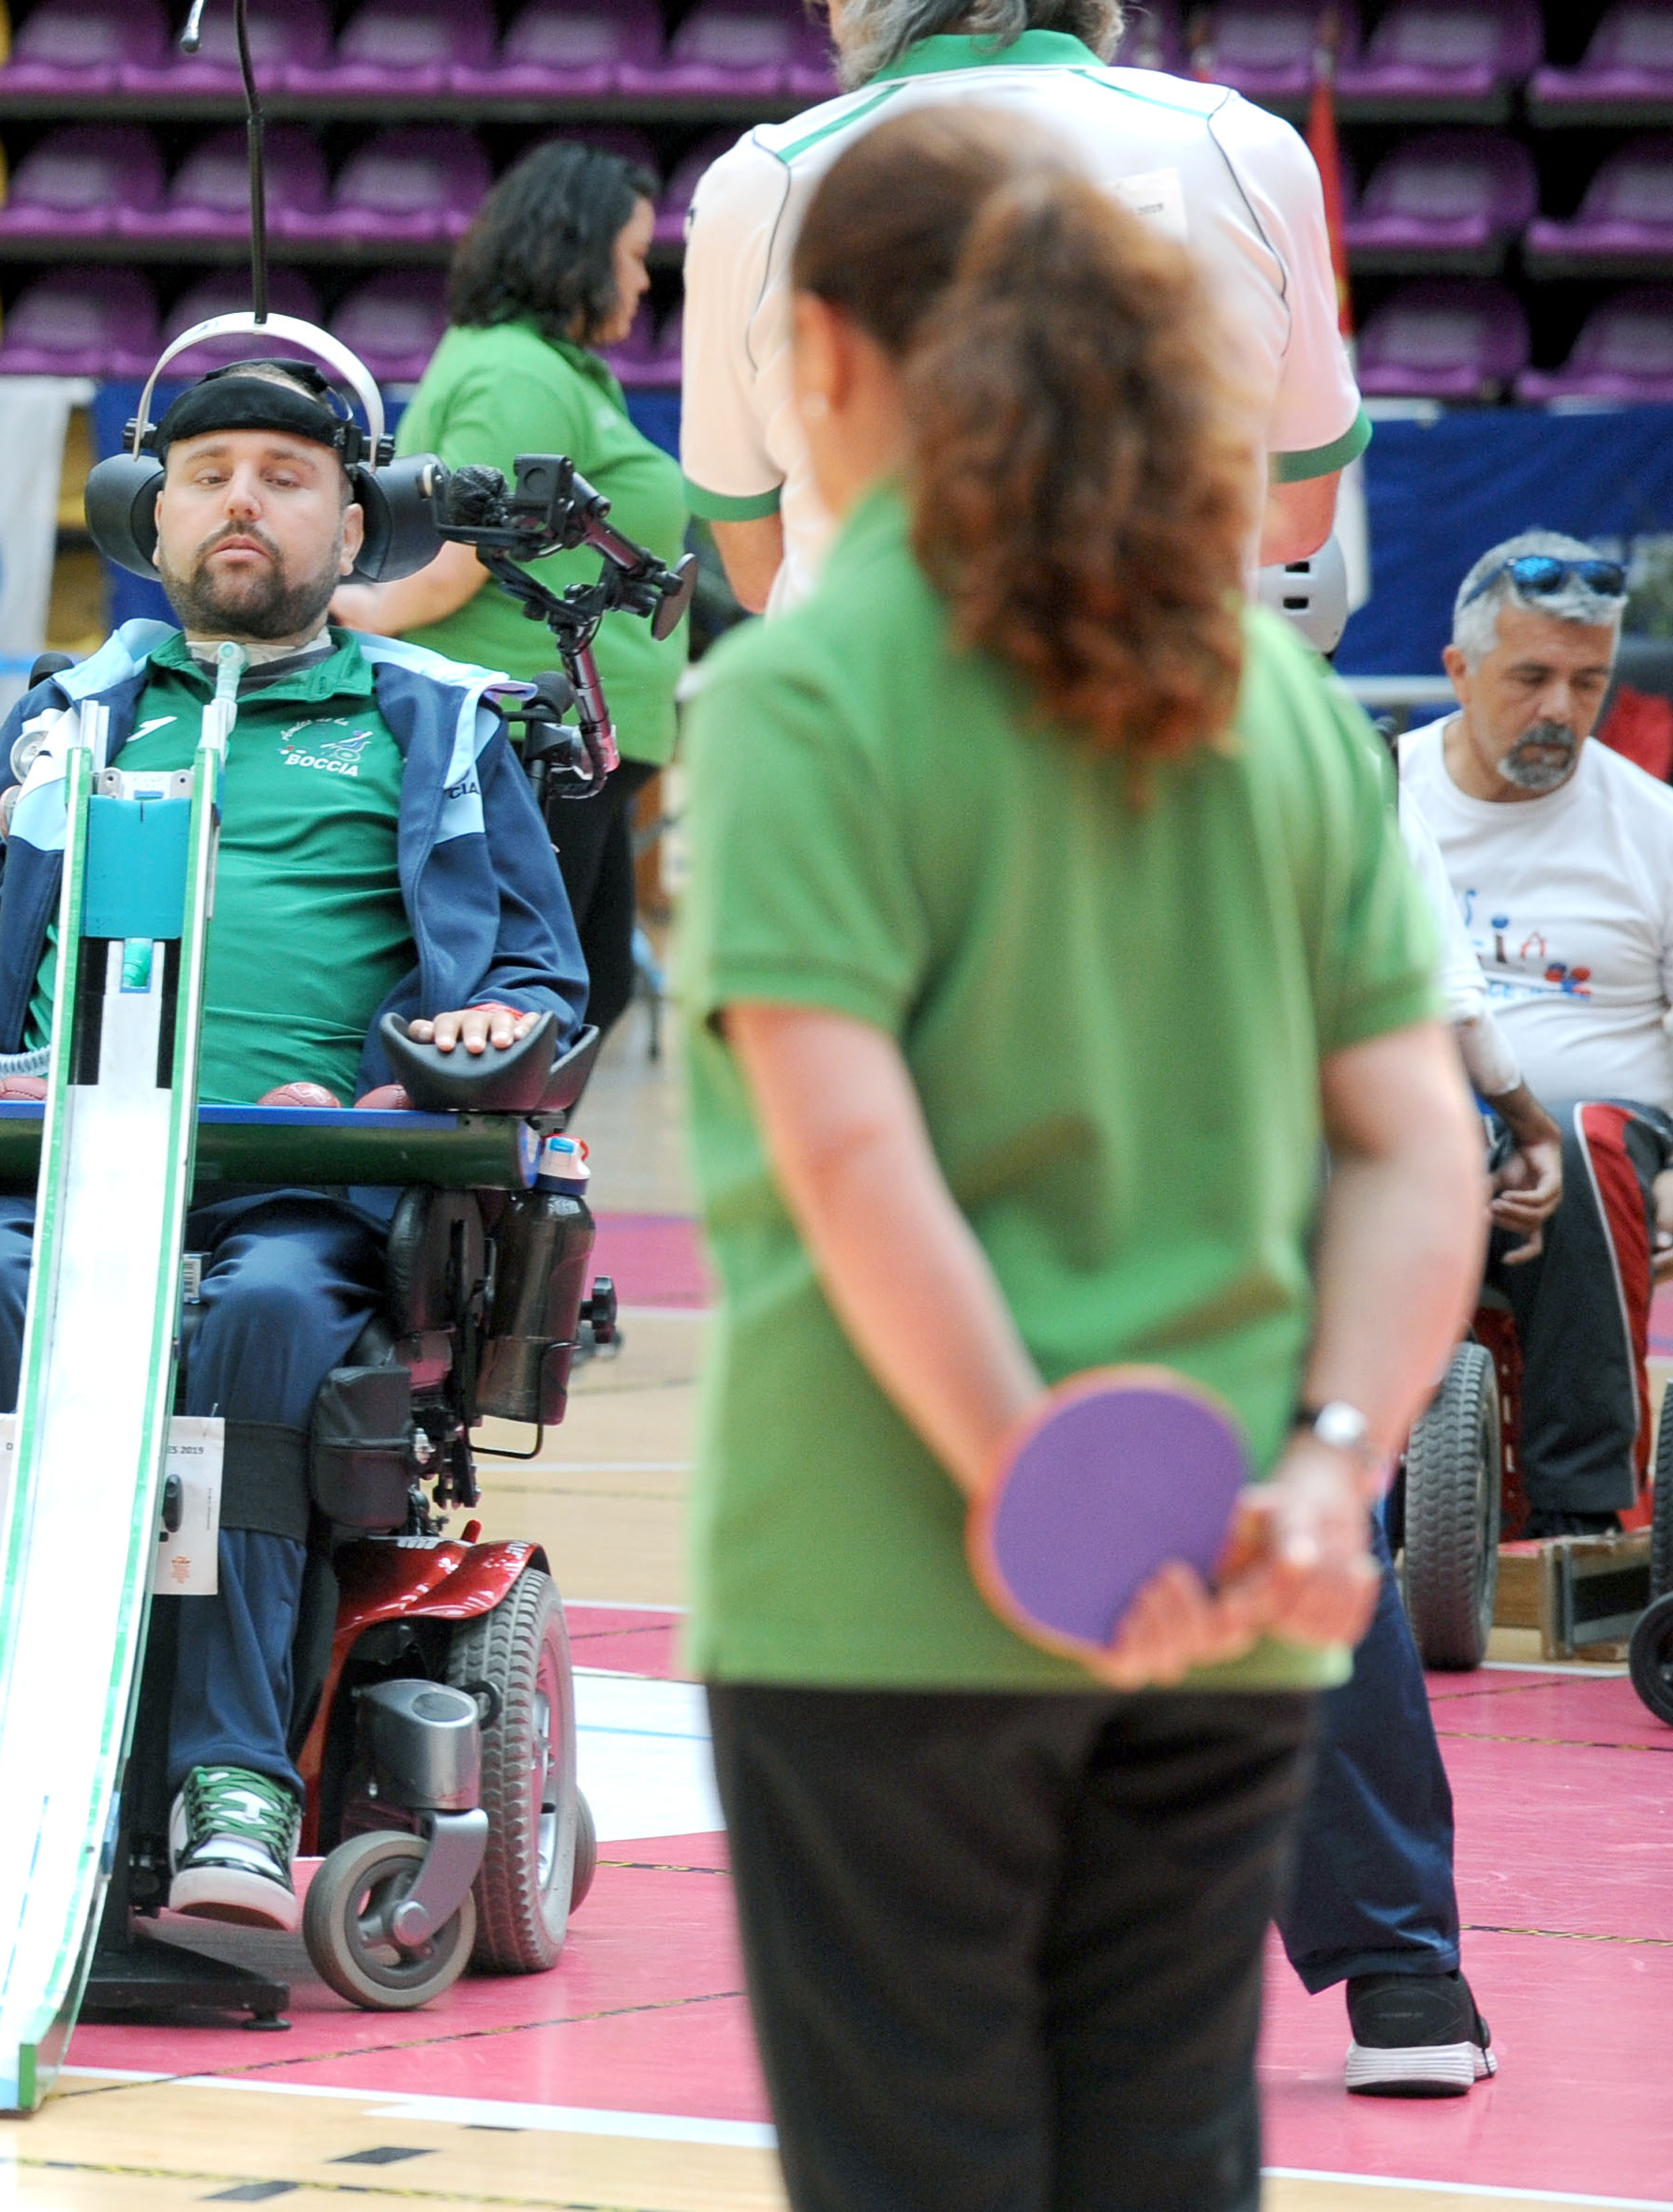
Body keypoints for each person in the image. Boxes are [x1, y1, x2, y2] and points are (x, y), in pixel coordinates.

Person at [677, 109, 1482, 2211]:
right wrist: (1326, 1466)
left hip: (891, 1591)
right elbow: (1417, 1152)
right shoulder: (1284, 708)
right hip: (1238, 1577)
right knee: (1163, 2165)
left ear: (827, 360)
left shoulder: (804, 696)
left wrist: (1037, 1489)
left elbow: (859, 1161)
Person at [0, 359, 588, 1929]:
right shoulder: (61, 723)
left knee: (257, 1321)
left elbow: (534, 985)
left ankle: (233, 1776)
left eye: (285, 474)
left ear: (355, 520)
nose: (242, 498)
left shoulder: (433, 728)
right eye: (209, 471)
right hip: (56, 1163)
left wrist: (442, 1069)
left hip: (316, 1191)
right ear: (151, 509)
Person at [1266, 682, 1563, 2100]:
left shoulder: (866, 679)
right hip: (1237, 1179)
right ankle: (1399, 1977)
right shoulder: (1307, 721)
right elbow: (1419, 1011)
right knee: (1320, 1549)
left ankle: (1397, 1970)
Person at [679, 0, 1363, 614]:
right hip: (1160, 710)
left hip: (868, 727)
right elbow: (1295, 518)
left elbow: (758, 567)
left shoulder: (759, 183)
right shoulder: (1240, 144)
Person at [336, 138, 685, 1040]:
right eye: (635, 255)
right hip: (530, 740)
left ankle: (513, 1178)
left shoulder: (553, 368)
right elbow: (464, 544)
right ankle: (480, 1181)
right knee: (519, 1003)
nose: (644, 282)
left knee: (589, 991)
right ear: (578, 246)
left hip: (576, 748)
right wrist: (361, 613)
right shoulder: (513, 371)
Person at [1400, 534, 1670, 1541]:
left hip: (1613, 1146)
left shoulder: (1655, 827)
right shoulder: (1377, 795)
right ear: (1459, 671)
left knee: (1579, 1131)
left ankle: (1581, 1507)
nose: (1561, 707)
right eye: (1531, 676)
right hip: (1409, 1116)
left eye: (1588, 680)